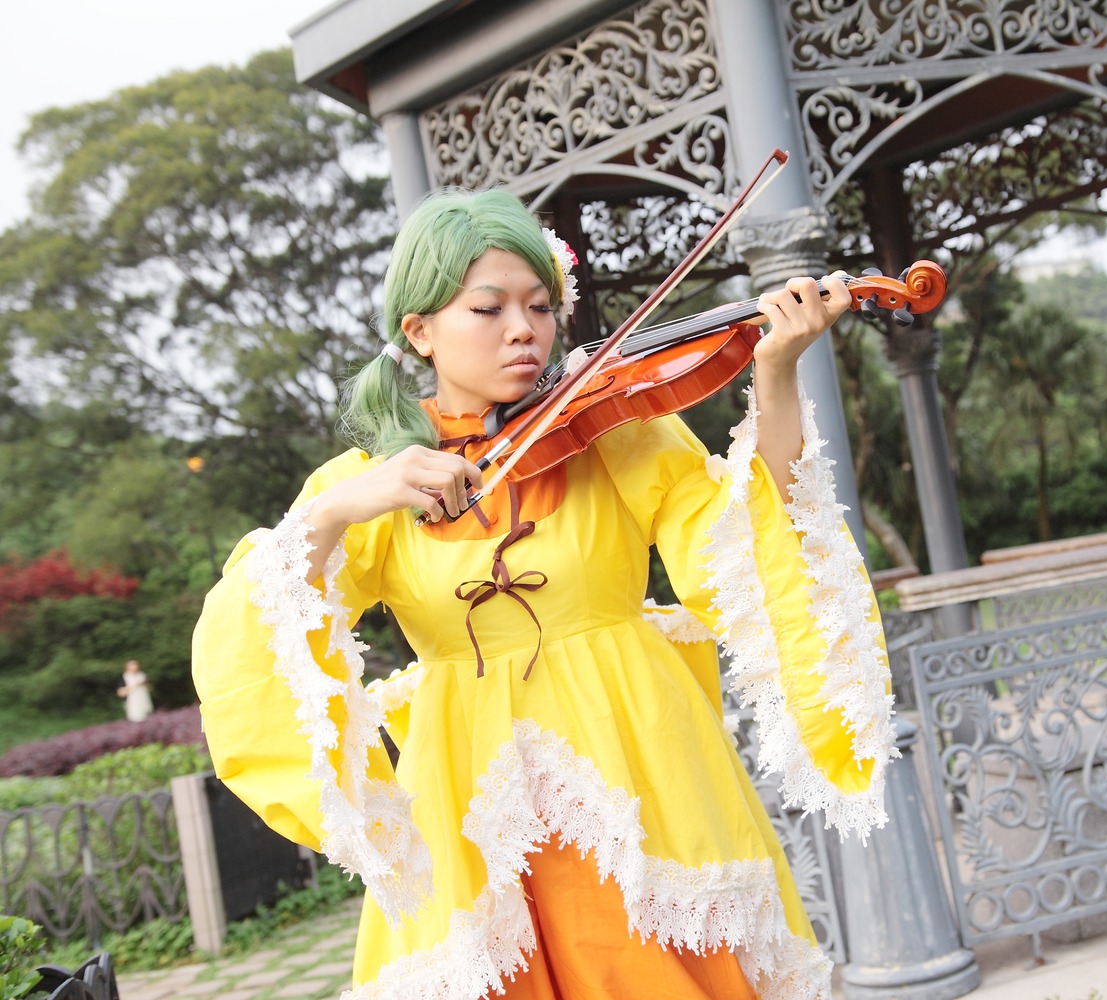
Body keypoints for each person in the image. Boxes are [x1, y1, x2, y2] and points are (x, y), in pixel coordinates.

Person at [191, 187, 895, 1000]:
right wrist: (345, 505)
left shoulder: (615, 429)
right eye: (487, 309)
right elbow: (258, 624)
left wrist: (775, 373)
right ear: (419, 332)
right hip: (469, 794)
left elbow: (750, 539)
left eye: (540, 306)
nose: (523, 330)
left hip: (636, 760)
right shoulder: (371, 484)